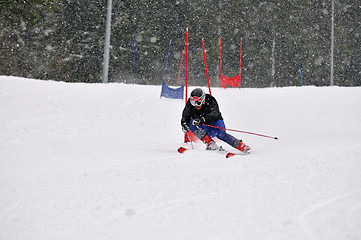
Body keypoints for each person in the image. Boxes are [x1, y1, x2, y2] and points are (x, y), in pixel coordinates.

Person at [181, 88, 251, 153]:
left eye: (198, 103)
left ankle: (241, 146)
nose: (196, 105)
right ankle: (211, 144)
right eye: (193, 103)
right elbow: (185, 116)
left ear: (203, 99)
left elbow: (215, 113)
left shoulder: (210, 100)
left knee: (221, 135)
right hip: (204, 127)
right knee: (191, 123)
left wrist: (202, 119)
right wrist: (184, 125)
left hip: (215, 122)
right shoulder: (190, 104)